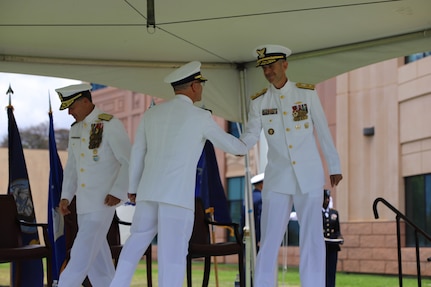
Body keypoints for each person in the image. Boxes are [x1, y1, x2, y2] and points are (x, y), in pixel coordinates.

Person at [109, 61, 248, 287]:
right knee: (172, 256)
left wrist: (133, 188)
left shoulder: (152, 114)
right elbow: (237, 148)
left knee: (134, 246)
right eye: (200, 84)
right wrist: (252, 132)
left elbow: (138, 152)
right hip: (176, 197)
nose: (202, 89)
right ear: (194, 86)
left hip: (148, 192)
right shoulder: (200, 117)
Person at [239, 44, 343, 287]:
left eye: (272, 66)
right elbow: (251, 136)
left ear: (284, 65)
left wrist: (334, 165)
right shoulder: (259, 102)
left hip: (309, 175)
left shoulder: (306, 94)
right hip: (276, 179)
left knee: (313, 238)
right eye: (264, 68)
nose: (268, 71)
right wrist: (234, 144)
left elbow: (323, 131)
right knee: (269, 239)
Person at [55, 83, 131, 287]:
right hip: (83, 204)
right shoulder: (76, 129)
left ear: (86, 101)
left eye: (72, 106)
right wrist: (66, 196)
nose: (70, 112)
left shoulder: (109, 123)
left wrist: (118, 191)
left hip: (103, 202)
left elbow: (128, 160)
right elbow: (72, 166)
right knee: (99, 260)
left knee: (81, 253)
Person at [322, 189, 343, 287]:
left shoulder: (334, 213)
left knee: (331, 270)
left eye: (328, 198)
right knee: (322, 270)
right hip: (322, 246)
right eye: (325, 198)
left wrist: (340, 237)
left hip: (332, 245)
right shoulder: (317, 213)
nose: (327, 200)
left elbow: (337, 230)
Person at [241, 172, 264, 250]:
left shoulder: (247, 198)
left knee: (247, 259)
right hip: (256, 237)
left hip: (246, 235)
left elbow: (242, 218)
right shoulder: (261, 198)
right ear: (262, 185)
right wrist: (260, 237)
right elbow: (259, 219)